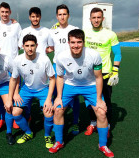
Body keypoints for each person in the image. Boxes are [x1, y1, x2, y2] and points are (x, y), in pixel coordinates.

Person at [49, 29, 114, 158]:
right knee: (57, 109)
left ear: (84, 42)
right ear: (68, 43)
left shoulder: (94, 55)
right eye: (73, 42)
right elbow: (60, 78)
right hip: (70, 85)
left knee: (101, 112)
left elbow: (98, 77)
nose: (76, 45)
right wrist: (58, 97)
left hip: (90, 86)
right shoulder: (61, 57)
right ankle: (59, 142)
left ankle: (102, 145)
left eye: (79, 42)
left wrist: (100, 99)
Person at [6, 34, 55, 149]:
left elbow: (52, 79)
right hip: (27, 89)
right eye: (27, 46)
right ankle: (28, 132)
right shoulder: (18, 60)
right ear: (23, 46)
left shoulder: (44, 59)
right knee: (15, 112)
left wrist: (48, 98)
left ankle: (47, 135)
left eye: (32, 45)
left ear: (37, 46)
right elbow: (14, 79)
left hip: (43, 89)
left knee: (48, 112)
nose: (30, 48)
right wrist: (12, 96)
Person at [83, 7, 122, 137]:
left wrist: (115, 71)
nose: (96, 20)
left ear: (103, 19)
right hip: (88, 75)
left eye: (98, 17)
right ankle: (93, 123)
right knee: (89, 102)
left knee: (106, 102)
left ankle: (108, 126)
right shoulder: (85, 33)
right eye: (93, 18)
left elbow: (117, 54)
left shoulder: (110, 34)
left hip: (105, 74)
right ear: (90, 19)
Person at [50, 4, 80, 135]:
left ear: (68, 15)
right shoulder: (52, 31)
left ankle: (75, 122)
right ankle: (56, 121)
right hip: (57, 67)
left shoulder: (75, 29)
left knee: (74, 97)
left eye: (64, 14)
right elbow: (50, 48)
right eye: (60, 14)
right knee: (57, 95)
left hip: (72, 67)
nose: (62, 17)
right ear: (57, 16)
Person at [0, 2, 22, 129]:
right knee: (1, 93)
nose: (4, 14)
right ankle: (2, 118)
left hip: (13, 64)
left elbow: (20, 43)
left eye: (6, 12)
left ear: (10, 12)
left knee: (15, 92)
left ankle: (16, 117)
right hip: (0, 65)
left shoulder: (16, 25)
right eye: (2, 12)